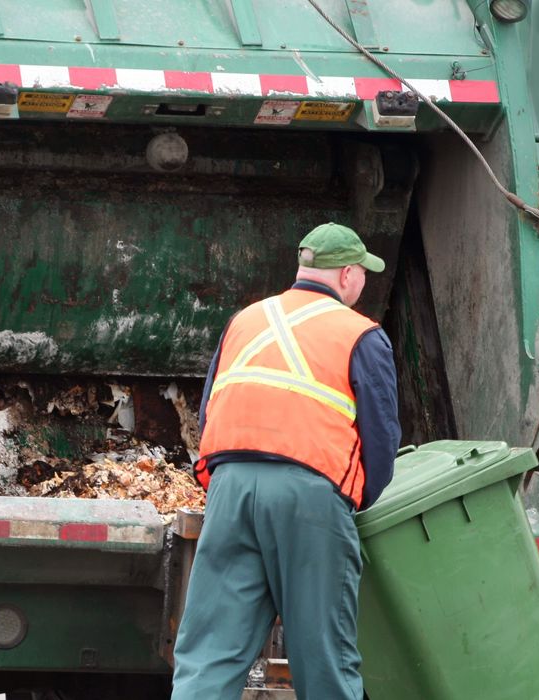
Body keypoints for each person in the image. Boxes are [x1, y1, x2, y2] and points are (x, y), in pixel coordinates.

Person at [171, 222, 400, 699]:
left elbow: (209, 409)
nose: (364, 283)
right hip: (310, 499)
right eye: (364, 274)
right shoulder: (361, 334)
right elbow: (381, 438)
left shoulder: (246, 320)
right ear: (347, 275)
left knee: (211, 652)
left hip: (231, 489)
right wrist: (356, 501)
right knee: (323, 657)